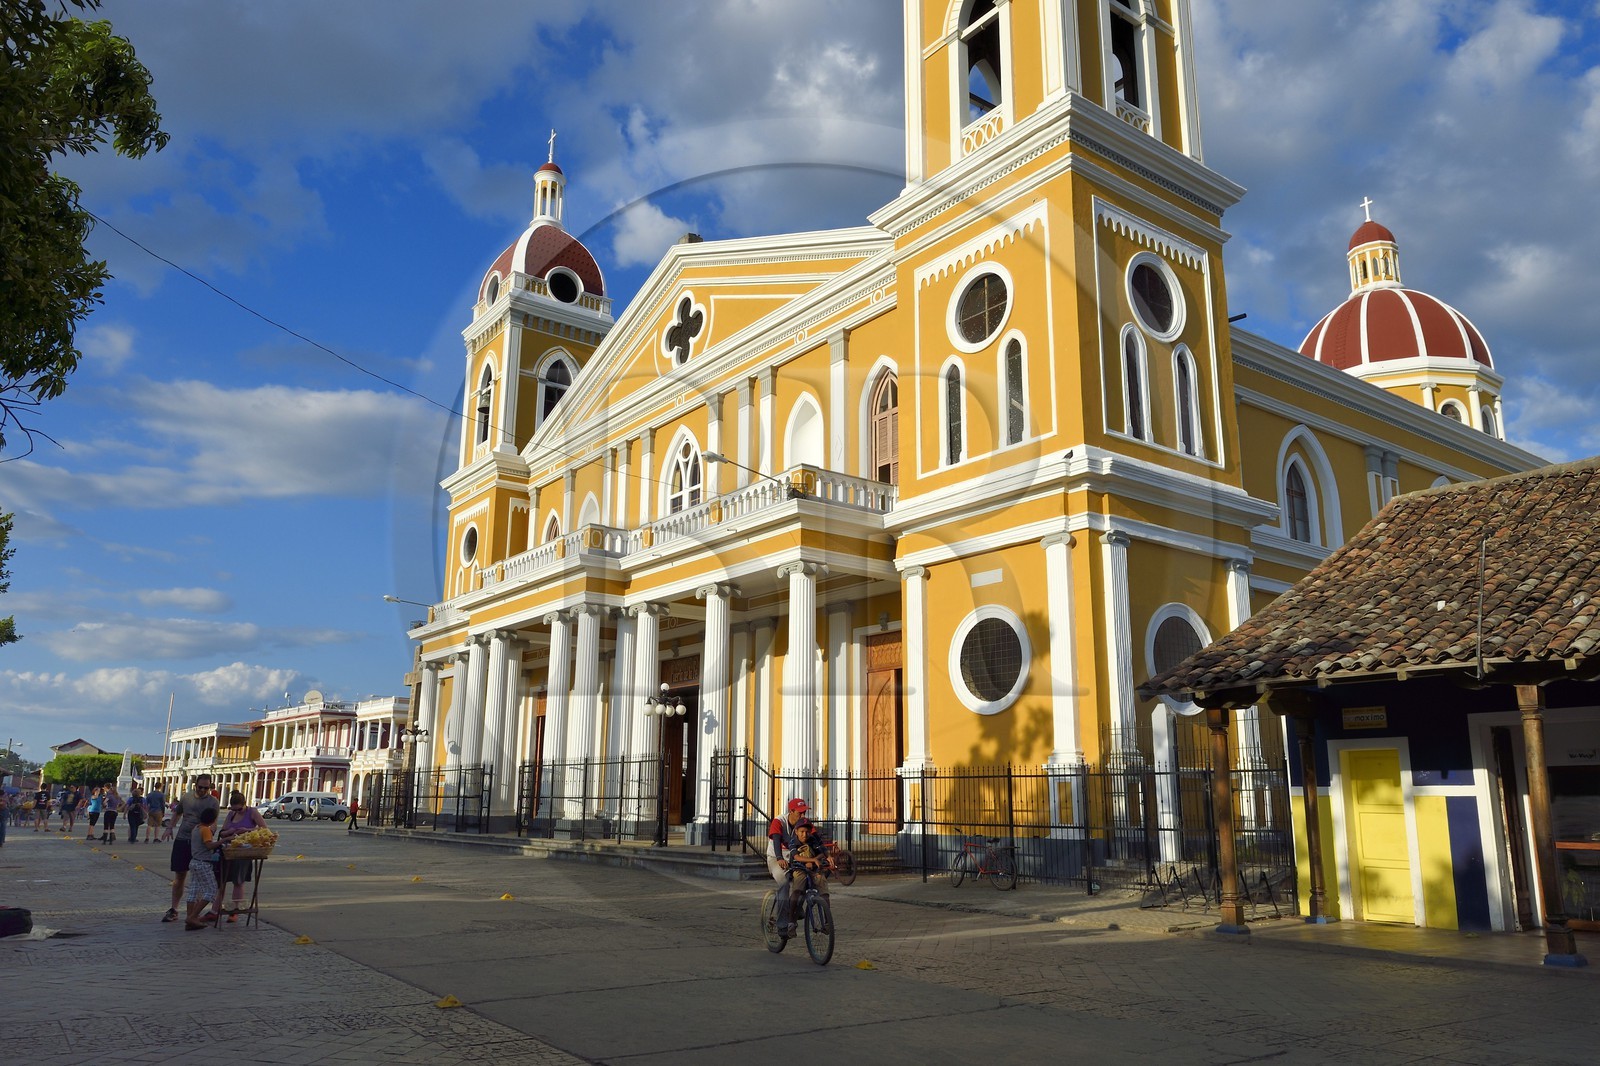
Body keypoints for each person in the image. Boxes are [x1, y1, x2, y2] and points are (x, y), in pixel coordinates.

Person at [163, 775, 219, 923]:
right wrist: (169, 828)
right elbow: (177, 813)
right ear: (195, 785)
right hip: (182, 839)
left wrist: (208, 833)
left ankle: (193, 914)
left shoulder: (213, 802)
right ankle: (174, 909)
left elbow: (214, 822)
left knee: (198, 878)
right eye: (200, 787)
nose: (202, 790)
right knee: (179, 876)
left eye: (206, 788)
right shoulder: (186, 798)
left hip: (200, 842)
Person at [766, 797, 825, 935]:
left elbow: (817, 838)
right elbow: (776, 839)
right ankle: (782, 925)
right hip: (776, 858)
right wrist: (779, 858)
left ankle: (795, 909)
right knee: (784, 883)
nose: (803, 815)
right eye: (800, 812)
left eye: (804, 812)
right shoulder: (779, 821)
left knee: (805, 880)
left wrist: (826, 855)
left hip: (796, 858)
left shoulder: (803, 824)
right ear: (791, 811)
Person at [216, 791, 268, 921]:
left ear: (244, 804)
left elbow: (264, 829)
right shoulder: (231, 814)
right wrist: (229, 832)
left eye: (239, 809)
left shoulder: (252, 812)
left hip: (244, 851)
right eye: (234, 809)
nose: (237, 811)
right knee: (221, 881)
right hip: (229, 849)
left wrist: (246, 830)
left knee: (238, 881)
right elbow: (222, 832)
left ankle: (235, 910)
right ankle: (215, 909)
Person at [183, 806, 222, 931]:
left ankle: (190, 918)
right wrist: (223, 840)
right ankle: (193, 917)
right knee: (211, 890)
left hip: (194, 861)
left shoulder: (196, 828)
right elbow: (209, 845)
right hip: (203, 863)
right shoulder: (205, 830)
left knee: (193, 891)